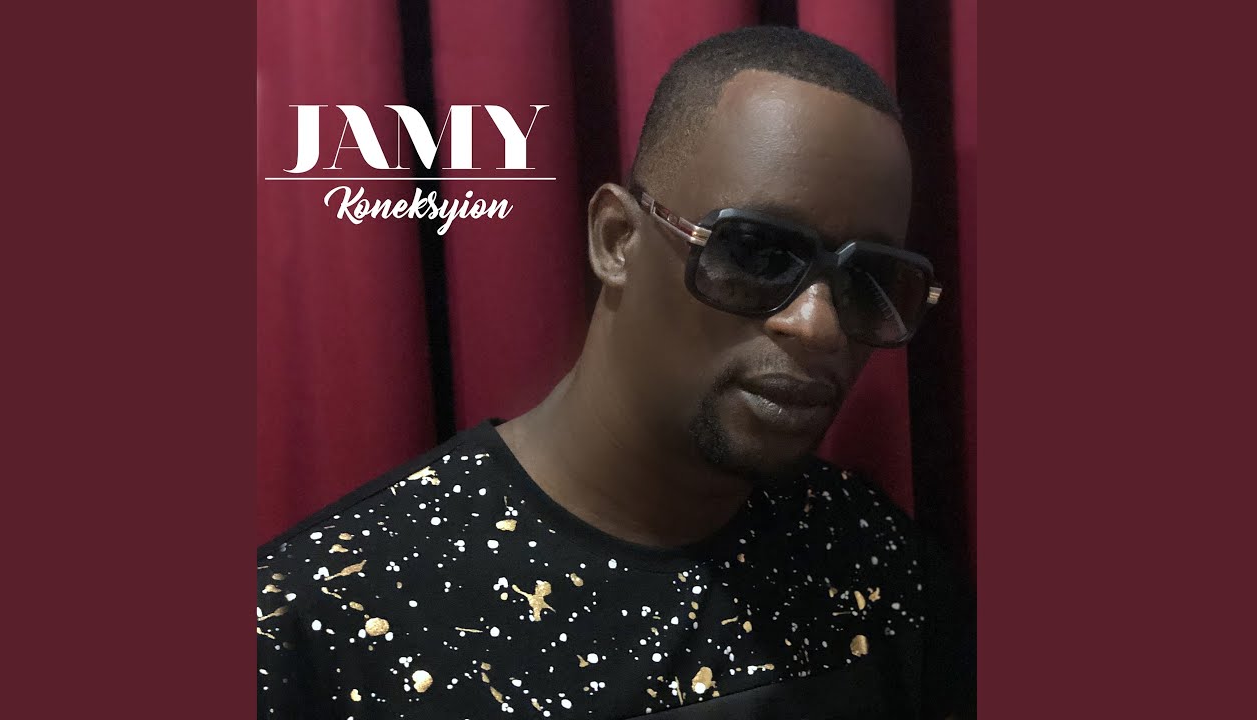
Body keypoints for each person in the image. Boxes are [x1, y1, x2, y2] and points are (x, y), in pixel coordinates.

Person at [258, 25, 974, 719]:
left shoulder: (870, 557)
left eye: (868, 282)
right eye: (756, 253)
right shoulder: (324, 619)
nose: (818, 326)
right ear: (617, 239)